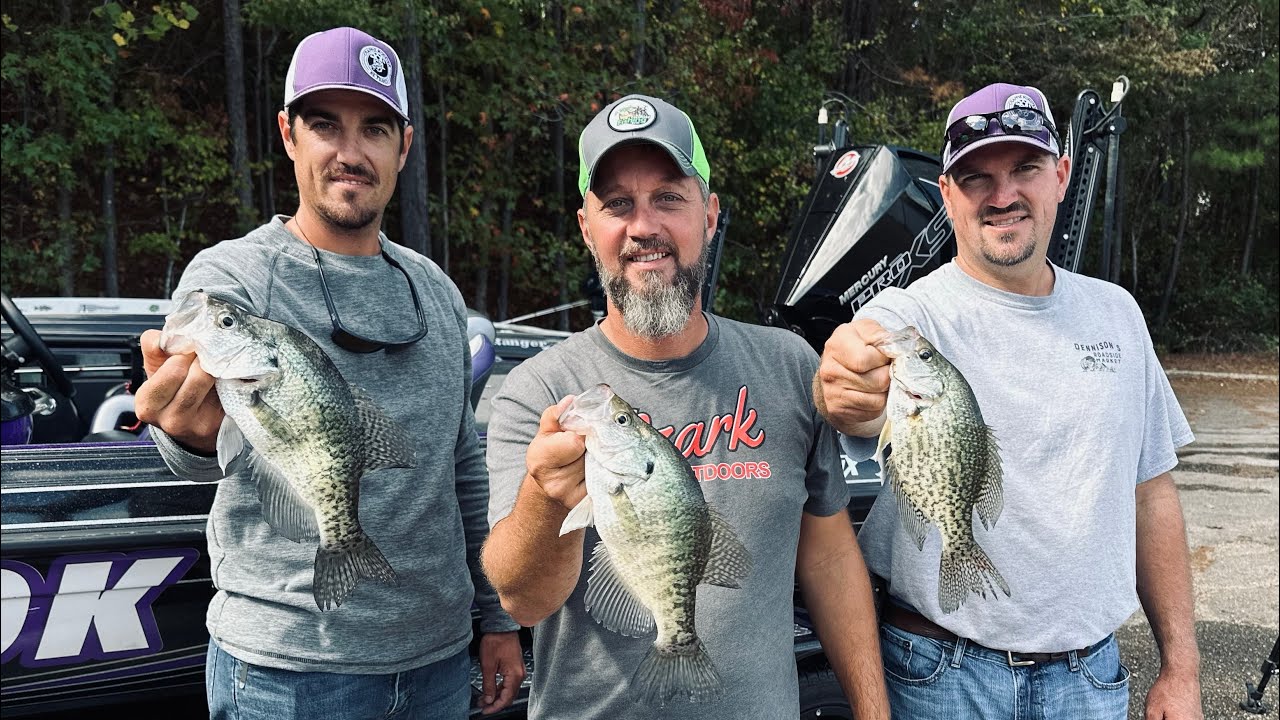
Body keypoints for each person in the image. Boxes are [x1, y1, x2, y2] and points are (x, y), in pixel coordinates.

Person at [133, 26, 525, 719]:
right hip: (288, 674)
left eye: (374, 129)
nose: (350, 153)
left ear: (403, 146)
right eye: (326, 126)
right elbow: (194, 458)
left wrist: (495, 618)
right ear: (289, 135)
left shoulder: (435, 290)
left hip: (436, 662)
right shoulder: (232, 280)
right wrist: (186, 437)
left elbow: (460, 464)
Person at [480, 94, 890, 719]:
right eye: (618, 204)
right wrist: (544, 498)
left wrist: (872, 712)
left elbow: (829, 555)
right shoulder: (539, 390)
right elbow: (522, 601)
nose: (644, 226)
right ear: (587, 227)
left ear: (710, 214)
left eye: (669, 197)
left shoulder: (788, 367)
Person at [813, 82, 1203, 719]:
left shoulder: (1118, 316)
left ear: (1062, 176)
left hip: (1091, 679)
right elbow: (846, 381)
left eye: (1024, 168)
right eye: (975, 178)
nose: (1001, 196)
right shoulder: (915, 317)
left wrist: (1181, 670)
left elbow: (1151, 492)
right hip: (939, 674)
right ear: (946, 195)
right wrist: (841, 380)